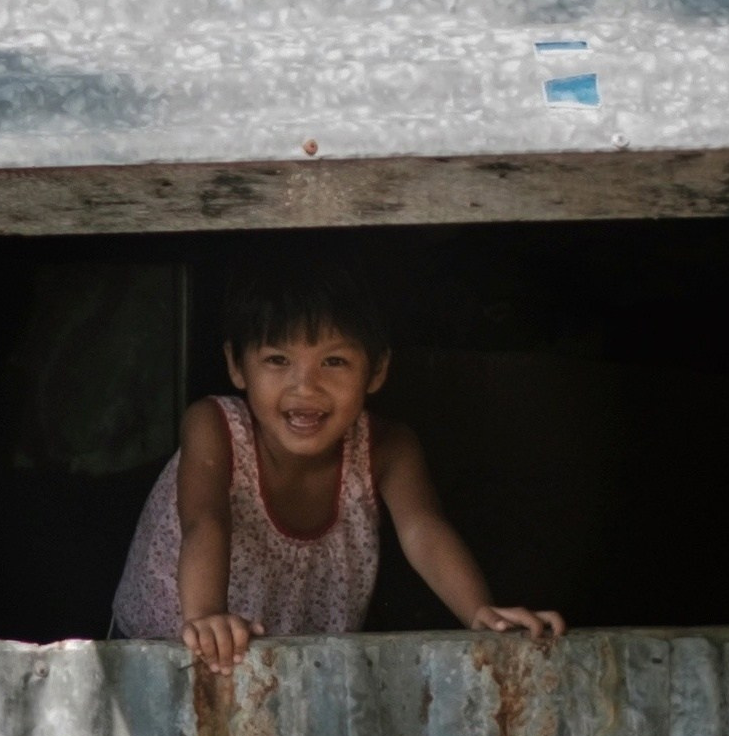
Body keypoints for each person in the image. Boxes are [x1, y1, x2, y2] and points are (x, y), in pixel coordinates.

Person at [111, 257, 563, 671]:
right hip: (166, 649)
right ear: (236, 365)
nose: (305, 387)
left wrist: (481, 614)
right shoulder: (214, 425)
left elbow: (424, 530)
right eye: (277, 359)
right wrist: (207, 617)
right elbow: (204, 520)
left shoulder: (388, 448)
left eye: (334, 361)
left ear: (377, 370)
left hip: (300, 666)